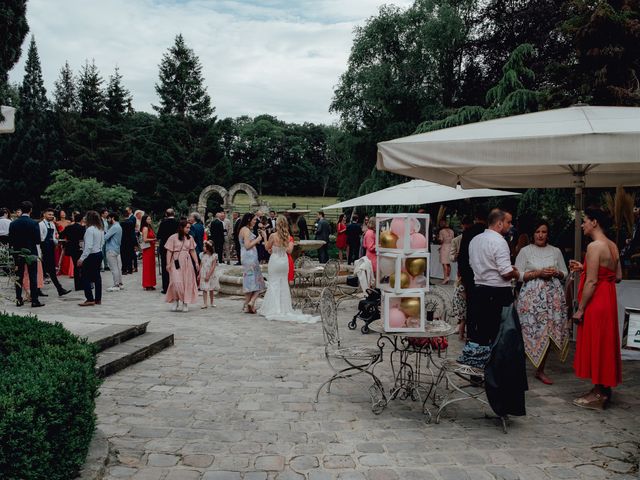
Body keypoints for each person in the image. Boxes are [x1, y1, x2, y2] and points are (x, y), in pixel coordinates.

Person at [570, 208, 622, 410]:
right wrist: (585, 268)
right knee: (605, 343)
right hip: (608, 300)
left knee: (596, 343)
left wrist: (580, 309)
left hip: (596, 301)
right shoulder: (612, 245)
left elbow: (592, 282)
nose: (582, 225)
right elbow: (616, 277)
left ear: (594, 222)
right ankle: (603, 389)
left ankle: (599, 394)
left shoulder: (594, 246)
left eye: (585, 221)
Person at [515, 220, 569, 385]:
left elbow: (565, 273)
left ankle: (540, 370)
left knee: (546, 332)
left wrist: (557, 272)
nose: (540, 235)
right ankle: (518, 369)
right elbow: (517, 274)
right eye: (538, 231)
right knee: (527, 331)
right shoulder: (525, 251)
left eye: (544, 232)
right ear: (533, 233)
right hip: (530, 300)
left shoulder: (556, 251)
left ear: (548, 234)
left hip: (552, 300)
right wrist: (538, 273)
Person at [468, 209, 519, 345]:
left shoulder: (475, 240)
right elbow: (505, 272)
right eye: (508, 222)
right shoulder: (499, 242)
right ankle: (496, 365)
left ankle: (482, 363)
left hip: (479, 290)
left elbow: (472, 264)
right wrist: (515, 272)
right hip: (498, 292)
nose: (510, 225)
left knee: (482, 334)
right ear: (499, 224)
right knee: (500, 335)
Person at [258, 215, 318, 323]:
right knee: (283, 283)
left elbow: (267, 247)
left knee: (274, 283)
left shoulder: (273, 235)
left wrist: (264, 237)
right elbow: (289, 251)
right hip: (284, 262)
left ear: (277, 224)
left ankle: (274, 308)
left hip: (275, 261)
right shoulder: (288, 236)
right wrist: (280, 248)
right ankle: (284, 308)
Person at [9, 201, 43, 307]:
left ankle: (19, 299)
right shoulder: (34, 223)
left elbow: (11, 240)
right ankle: (34, 300)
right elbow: (38, 240)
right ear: (31, 210)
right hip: (31, 252)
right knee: (33, 276)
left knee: (18, 276)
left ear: (21, 210)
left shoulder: (13, 223)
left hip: (18, 252)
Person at [165, 219, 200, 312]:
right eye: (187, 227)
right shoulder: (173, 237)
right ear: (182, 227)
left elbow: (192, 250)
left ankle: (185, 302)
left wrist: (196, 262)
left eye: (189, 227)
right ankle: (175, 300)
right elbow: (169, 251)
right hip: (176, 261)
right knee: (175, 282)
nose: (189, 229)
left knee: (187, 282)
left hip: (187, 262)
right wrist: (168, 263)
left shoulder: (190, 238)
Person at [38, 207, 71, 297]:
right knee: (47, 270)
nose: (51, 216)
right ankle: (59, 289)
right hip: (44, 248)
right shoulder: (41, 224)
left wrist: (59, 242)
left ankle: (58, 289)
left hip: (51, 248)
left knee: (47, 270)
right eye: (49, 214)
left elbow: (54, 237)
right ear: (44, 214)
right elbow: (40, 238)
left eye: (52, 215)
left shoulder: (52, 224)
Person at [239, 212, 267, 313]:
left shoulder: (244, 229)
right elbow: (247, 245)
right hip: (250, 258)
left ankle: (248, 305)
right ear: (249, 220)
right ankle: (251, 302)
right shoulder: (246, 230)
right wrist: (259, 239)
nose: (256, 222)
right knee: (259, 282)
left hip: (247, 258)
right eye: (254, 220)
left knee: (250, 281)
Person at [77, 210, 105, 307]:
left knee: (85, 276)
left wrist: (81, 258)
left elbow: (88, 246)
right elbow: (102, 242)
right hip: (99, 253)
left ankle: (89, 298)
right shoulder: (100, 229)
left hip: (91, 255)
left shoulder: (90, 230)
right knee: (97, 277)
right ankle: (98, 298)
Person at [157, 209, 179, 294]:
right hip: (175, 247)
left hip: (165, 247)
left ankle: (166, 287)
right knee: (176, 266)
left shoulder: (163, 223)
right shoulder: (177, 223)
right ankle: (176, 286)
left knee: (165, 266)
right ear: (174, 214)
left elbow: (159, 235)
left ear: (166, 214)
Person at [62, 212, 85, 291]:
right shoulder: (82, 228)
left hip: (71, 248)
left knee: (75, 266)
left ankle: (77, 285)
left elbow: (61, 235)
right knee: (81, 266)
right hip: (80, 248)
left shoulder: (68, 227)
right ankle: (81, 283)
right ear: (82, 220)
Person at [104, 212, 123, 292]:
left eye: (108, 218)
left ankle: (116, 284)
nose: (108, 220)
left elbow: (105, 237)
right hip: (116, 249)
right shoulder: (118, 226)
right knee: (118, 268)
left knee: (113, 268)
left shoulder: (114, 227)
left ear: (112, 218)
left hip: (111, 249)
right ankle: (120, 283)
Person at [199, 240, 219, 308]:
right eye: (203, 246)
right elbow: (201, 264)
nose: (203, 247)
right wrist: (199, 274)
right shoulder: (202, 255)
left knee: (211, 289)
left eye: (205, 246)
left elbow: (213, 266)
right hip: (203, 273)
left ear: (209, 247)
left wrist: (209, 275)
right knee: (204, 289)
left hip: (211, 274)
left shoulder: (214, 256)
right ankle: (205, 303)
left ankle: (212, 302)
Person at [141, 214, 157, 291]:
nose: (149, 221)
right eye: (148, 219)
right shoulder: (145, 228)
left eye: (150, 219)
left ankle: (151, 283)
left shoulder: (149, 227)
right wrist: (153, 239)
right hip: (148, 249)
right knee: (148, 266)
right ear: (144, 220)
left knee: (151, 266)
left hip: (151, 248)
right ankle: (147, 284)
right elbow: (145, 239)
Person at [438, 219, 454, 284]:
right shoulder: (452, 231)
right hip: (450, 247)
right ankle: (448, 277)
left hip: (444, 247)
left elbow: (441, 240)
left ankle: (445, 278)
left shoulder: (441, 231)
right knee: (448, 263)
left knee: (444, 263)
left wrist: (438, 239)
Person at [120, 208, 136, 274]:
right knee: (130, 255)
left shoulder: (121, 223)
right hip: (130, 240)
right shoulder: (131, 222)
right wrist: (134, 242)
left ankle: (124, 269)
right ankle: (130, 269)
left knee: (123, 255)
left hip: (123, 241)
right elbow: (133, 233)